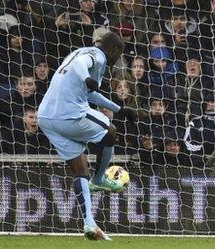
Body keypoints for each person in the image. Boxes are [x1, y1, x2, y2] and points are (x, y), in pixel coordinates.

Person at [37, 32, 135, 241]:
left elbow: (90, 93)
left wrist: (118, 109)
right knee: (110, 131)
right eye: (119, 55)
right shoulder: (96, 55)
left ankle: (90, 224)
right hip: (68, 114)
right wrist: (88, 77)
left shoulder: (76, 52)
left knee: (81, 169)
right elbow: (81, 66)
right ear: (116, 51)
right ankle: (100, 179)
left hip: (46, 117)